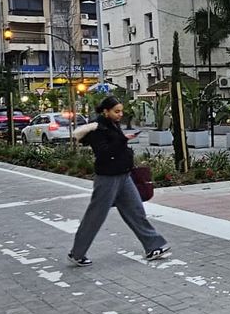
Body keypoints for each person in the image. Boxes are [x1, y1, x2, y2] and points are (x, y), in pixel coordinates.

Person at [66, 96, 170, 267]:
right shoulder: (97, 129)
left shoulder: (112, 124)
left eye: (121, 111)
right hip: (107, 178)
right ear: (105, 112)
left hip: (124, 175)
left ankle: (154, 246)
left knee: (136, 211)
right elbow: (104, 153)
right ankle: (77, 253)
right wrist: (123, 139)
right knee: (95, 216)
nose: (120, 114)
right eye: (116, 111)